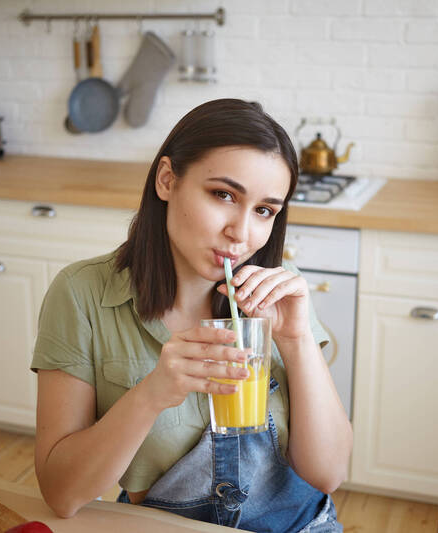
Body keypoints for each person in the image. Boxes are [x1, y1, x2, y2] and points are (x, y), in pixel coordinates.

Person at [31, 98, 352, 532]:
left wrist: (295, 342)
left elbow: (327, 475)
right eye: (223, 195)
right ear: (167, 180)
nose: (241, 233)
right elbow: (61, 494)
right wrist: (152, 394)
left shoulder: (277, 292)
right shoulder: (82, 294)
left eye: (264, 210)